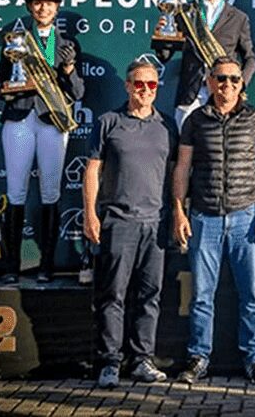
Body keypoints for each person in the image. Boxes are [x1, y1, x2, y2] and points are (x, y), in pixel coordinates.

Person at [172, 56, 255, 385]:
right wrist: (178, 210)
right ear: (209, 82)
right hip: (204, 217)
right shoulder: (195, 121)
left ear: (241, 84)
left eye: (233, 79)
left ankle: (254, 359)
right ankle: (199, 357)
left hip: (246, 217)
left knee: (252, 295)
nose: (226, 85)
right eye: (220, 79)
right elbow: (182, 168)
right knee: (202, 294)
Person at [83, 61, 177, 388]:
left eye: (151, 85)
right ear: (127, 86)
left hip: (157, 223)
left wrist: (178, 213)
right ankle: (109, 362)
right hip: (118, 222)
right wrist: (90, 213)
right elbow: (92, 170)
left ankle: (142, 360)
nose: (145, 91)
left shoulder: (167, 126)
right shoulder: (108, 122)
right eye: (139, 84)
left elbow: (177, 174)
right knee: (113, 295)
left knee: (150, 296)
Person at [0, 0, 84, 284]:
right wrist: (5, 89)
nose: (43, 7)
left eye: (48, 2)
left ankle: (47, 263)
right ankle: (11, 266)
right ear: (30, 7)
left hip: (52, 120)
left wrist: (69, 70)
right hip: (19, 117)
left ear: (57, 8)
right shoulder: (15, 41)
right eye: (37, 2)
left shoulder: (67, 46)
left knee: (50, 192)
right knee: (15, 191)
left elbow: (78, 92)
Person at [154, 0, 255, 130]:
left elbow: (250, 59)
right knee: (186, 148)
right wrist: (162, 36)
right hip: (190, 93)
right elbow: (164, 56)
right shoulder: (183, 12)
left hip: (223, 91)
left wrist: (239, 85)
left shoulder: (239, 18)